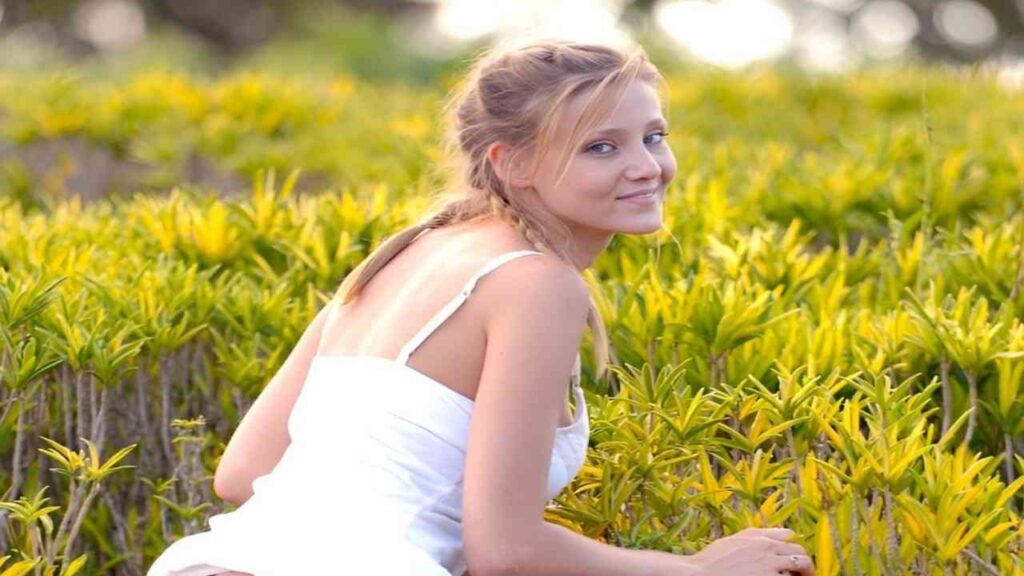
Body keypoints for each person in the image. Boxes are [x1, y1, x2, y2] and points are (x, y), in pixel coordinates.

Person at [147, 39, 815, 576]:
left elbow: (243, 474)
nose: (647, 166)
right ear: (511, 163)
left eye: (654, 135)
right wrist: (697, 567)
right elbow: (506, 551)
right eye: (601, 146)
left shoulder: (404, 255)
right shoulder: (536, 282)